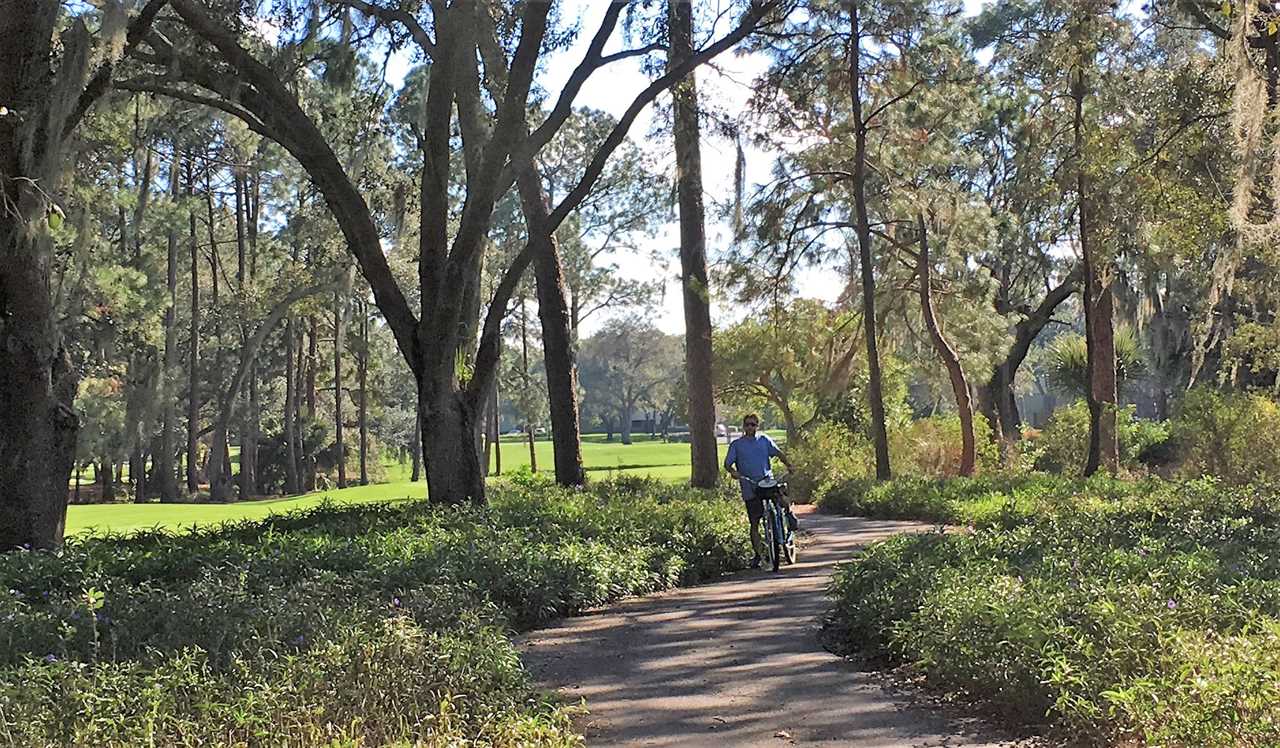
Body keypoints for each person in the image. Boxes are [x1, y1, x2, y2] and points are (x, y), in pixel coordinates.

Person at [723, 413, 794, 569]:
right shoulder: (736, 445)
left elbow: (778, 453)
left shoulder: (764, 440)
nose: (750, 427)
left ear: (757, 426)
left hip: (767, 482)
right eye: (747, 424)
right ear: (743, 426)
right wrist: (733, 472)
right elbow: (727, 464)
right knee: (754, 522)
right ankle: (758, 555)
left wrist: (789, 465)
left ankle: (789, 518)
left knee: (781, 501)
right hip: (750, 486)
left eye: (753, 424)